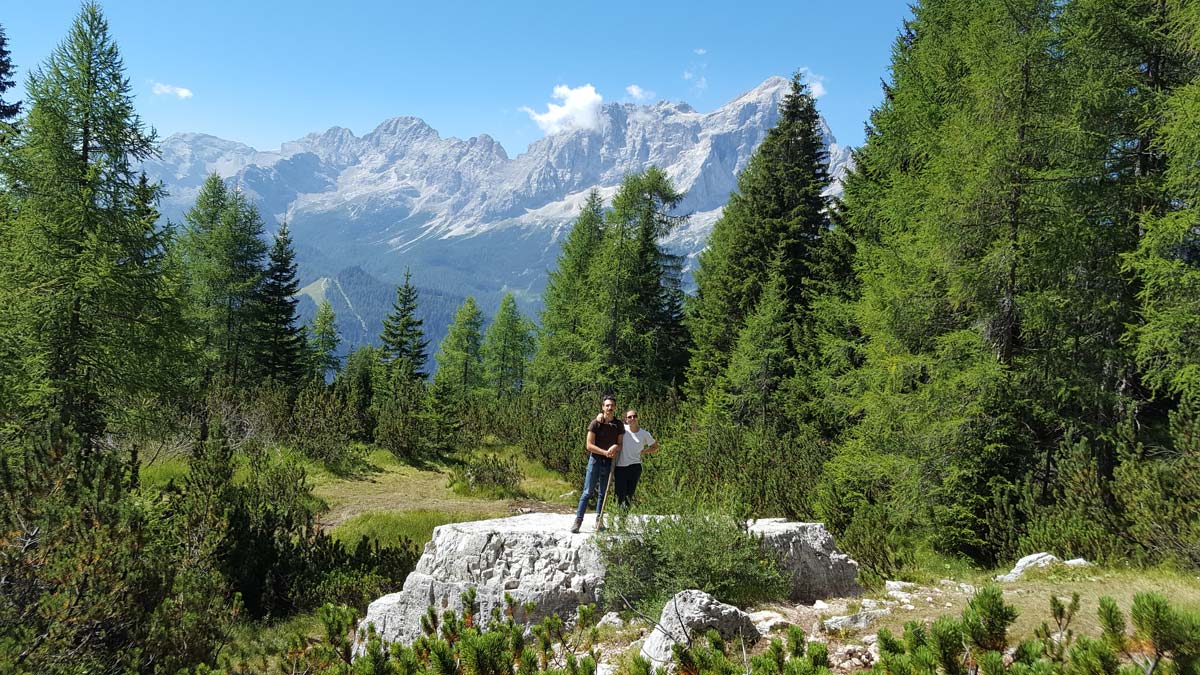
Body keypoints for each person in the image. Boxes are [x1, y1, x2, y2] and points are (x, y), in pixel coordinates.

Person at [571, 395, 623, 533]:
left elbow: (620, 443)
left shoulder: (618, 425)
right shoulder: (596, 423)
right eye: (607, 405)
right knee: (587, 491)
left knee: (603, 493)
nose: (610, 408)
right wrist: (605, 452)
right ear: (602, 407)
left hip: (609, 462)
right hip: (595, 460)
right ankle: (578, 521)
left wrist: (615, 448)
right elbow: (589, 445)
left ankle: (598, 522)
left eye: (612, 405)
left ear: (615, 407)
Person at [613, 409, 658, 507]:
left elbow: (655, 446)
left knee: (629, 495)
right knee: (619, 495)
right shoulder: (622, 429)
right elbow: (610, 421)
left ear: (637, 418)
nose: (632, 418)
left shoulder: (644, 434)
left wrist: (644, 451)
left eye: (634, 416)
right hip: (621, 467)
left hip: (635, 467)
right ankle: (616, 516)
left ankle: (623, 520)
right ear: (625, 419)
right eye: (629, 417)